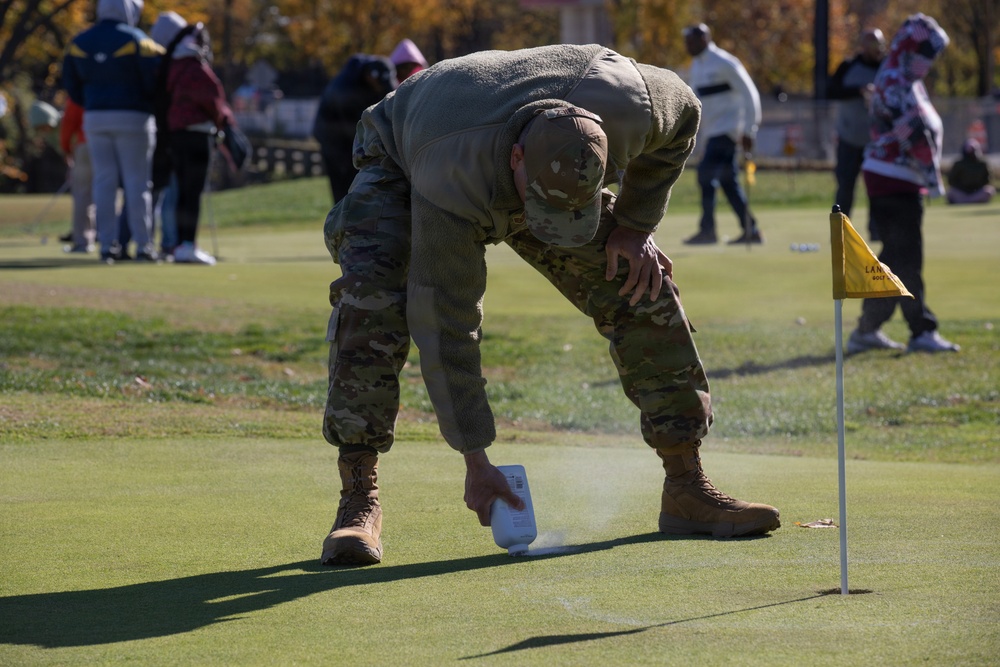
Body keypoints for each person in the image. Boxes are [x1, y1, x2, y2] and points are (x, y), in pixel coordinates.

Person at [319, 44, 781, 567]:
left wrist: (634, 227)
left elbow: (687, 117)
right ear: (518, 161)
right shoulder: (451, 176)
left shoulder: (636, 104)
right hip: (407, 151)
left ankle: (686, 485)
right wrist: (477, 458)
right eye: (540, 211)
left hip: (529, 145)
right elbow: (445, 320)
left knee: (637, 279)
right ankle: (359, 497)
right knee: (373, 299)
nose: (544, 229)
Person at [847, 14, 960, 355]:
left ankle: (868, 328)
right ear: (913, 50)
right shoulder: (897, 79)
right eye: (928, 53)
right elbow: (913, 135)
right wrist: (934, 180)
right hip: (892, 178)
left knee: (897, 258)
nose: (931, 61)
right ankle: (921, 330)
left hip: (900, 179)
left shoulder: (907, 78)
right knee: (907, 258)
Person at [61, 0, 163, 263]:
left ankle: (108, 245)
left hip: (95, 118)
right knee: (137, 183)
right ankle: (143, 245)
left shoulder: (80, 41)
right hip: (134, 118)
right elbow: (153, 82)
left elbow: (71, 85)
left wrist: (93, 103)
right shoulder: (139, 40)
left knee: (103, 183)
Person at [154, 12, 235, 265]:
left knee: (182, 193)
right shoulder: (194, 65)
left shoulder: (172, 64)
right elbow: (213, 99)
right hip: (197, 135)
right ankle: (187, 245)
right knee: (192, 193)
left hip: (176, 135)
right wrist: (223, 120)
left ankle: (179, 245)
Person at [681, 23, 764, 245]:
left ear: (703, 40)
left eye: (690, 42)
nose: (686, 46)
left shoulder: (725, 62)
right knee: (728, 183)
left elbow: (750, 94)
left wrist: (749, 130)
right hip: (712, 134)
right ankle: (751, 230)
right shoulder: (697, 66)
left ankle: (708, 231)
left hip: (728, 131)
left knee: (705, 175)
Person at [312, 54, 397, 204]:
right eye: (380, 84)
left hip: (345, 138)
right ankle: (344, 224)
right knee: (344, 188)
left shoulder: (363, 80)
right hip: (333, 141)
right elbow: (355, 130)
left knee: (357, 184)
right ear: (371, 77)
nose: (381, 90)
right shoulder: (346, 88)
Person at [827, 28, 887, 237]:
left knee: (878, 189)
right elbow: (830, 91)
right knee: (845, 188)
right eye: (871, 45)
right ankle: (842, 233)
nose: (876, 49)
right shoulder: (848, 67)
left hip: (877, 142)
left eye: (879, 45)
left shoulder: (887, 68)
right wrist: (859, 90)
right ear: (862, 46)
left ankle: (878, 231)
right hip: (849, 140)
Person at [58, 98, 96, 253]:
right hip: (116, 143)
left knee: (82, 195)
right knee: (110, 192)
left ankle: (83, 242)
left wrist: (66, 148)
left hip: (85, 144)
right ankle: (113, 241)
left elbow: (69, 122)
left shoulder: (81, 88)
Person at [947, 138, 995, 204]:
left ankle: (965, 202)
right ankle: (971, 201)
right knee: (951, 192)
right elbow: (951, 180)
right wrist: (963, 188)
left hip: (977, 192)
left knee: (989, 190)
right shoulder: (958, 164)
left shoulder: (983, 164)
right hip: (962, 193)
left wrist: (976, 187)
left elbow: (988, 180)